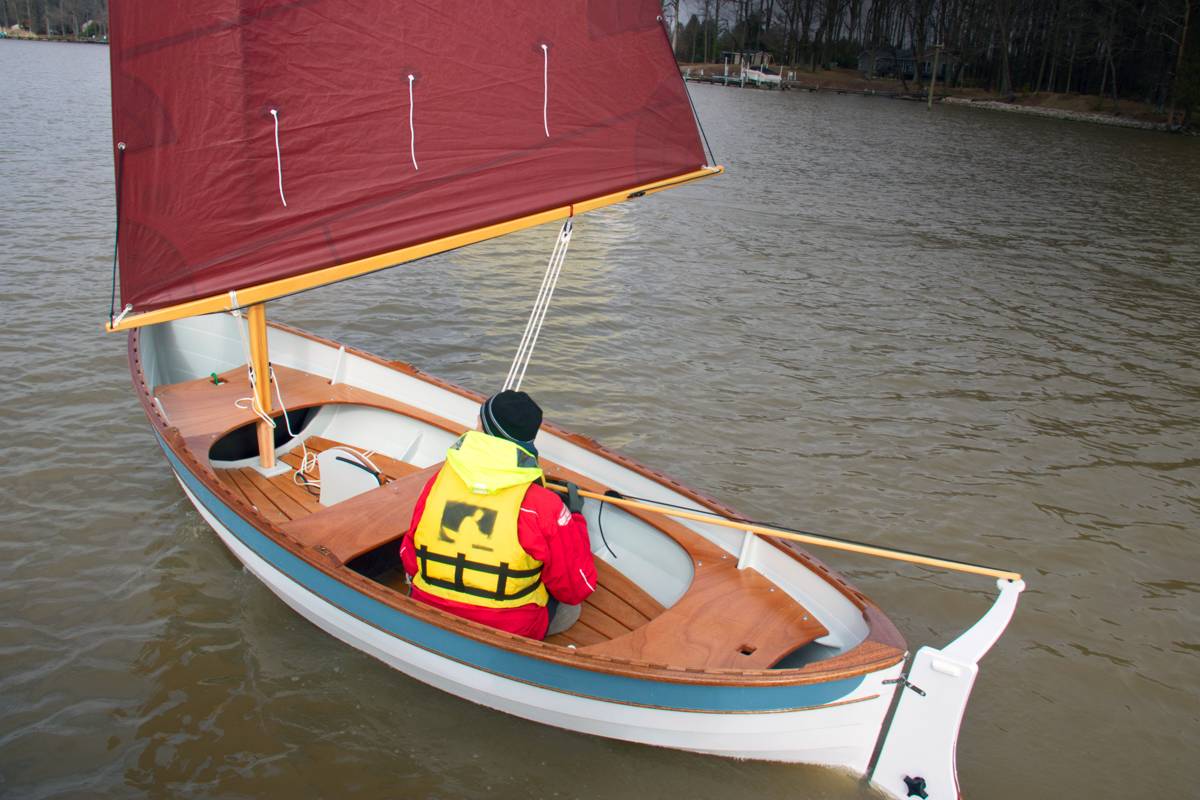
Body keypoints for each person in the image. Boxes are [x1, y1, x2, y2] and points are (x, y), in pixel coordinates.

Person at [400, 390, 597, 639]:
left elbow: (409, 557)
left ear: (486, 430)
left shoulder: (439, 481)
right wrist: (575, 518)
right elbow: (576, 588)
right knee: (571, 609)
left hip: (430, 607)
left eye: (479, 422)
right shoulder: (542, 505)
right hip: (509, 629)